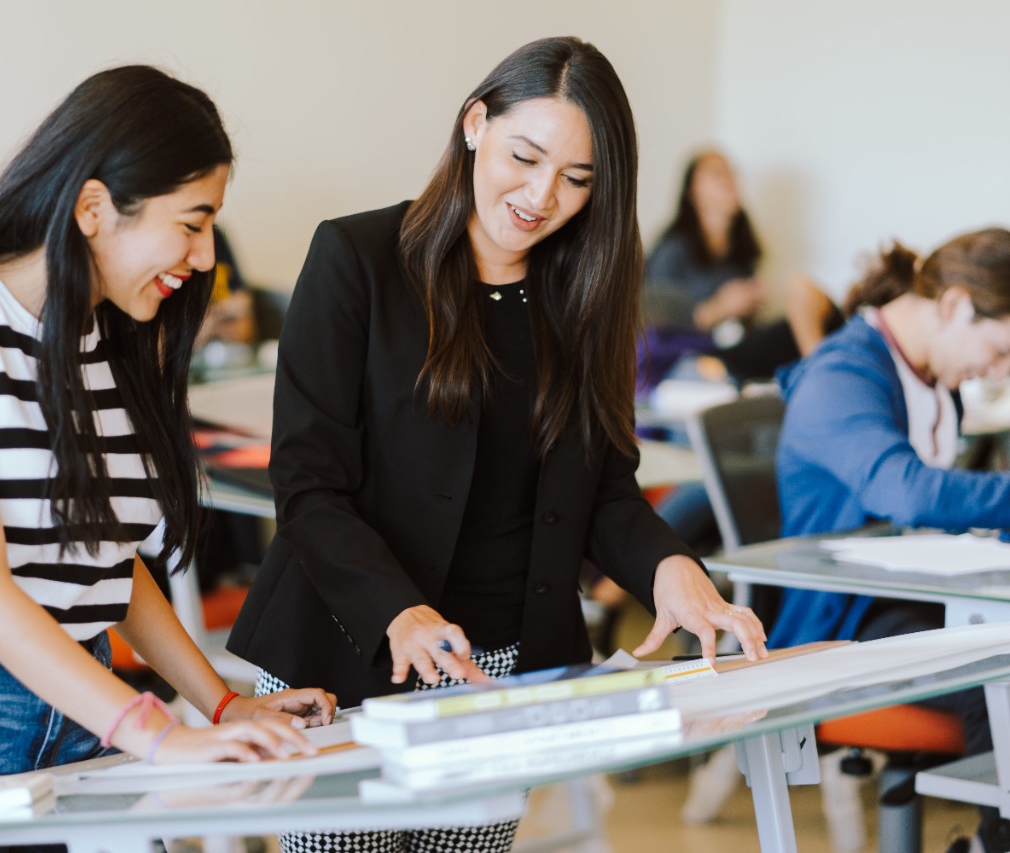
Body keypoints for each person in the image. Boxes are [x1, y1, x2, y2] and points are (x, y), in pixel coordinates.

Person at [227, 37, 767, 852]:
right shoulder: (358, 259)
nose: (542, 194)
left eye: (577, 178)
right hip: (342, 641)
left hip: (497, 664)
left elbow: (605, 491)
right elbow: (307, 483)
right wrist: (397, 611)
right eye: (526, 155)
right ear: (476, 123)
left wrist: (671, 569)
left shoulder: (583, 301)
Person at [0, 65, 335, 848]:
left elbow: (104, 565)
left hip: (72, 699)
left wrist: (220, 704)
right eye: (191, 222)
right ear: (92, 207)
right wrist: (157, 734)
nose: (207, 253)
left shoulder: (105, 339)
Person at [772, 228, 1010, 852]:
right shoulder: (841, 375)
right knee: (999, 667)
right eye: (999, 349)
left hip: (913, 600)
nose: (999, 371)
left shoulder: (929, 374)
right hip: (842, 624)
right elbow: (905, 491)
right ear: (955, 305)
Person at [641, 150, 838, 391]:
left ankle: (825, 384)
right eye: (717, 174)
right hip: (698, 356)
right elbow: (654, 323)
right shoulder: (673, 250)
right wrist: (720, 307)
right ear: (693, 192)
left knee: (821, 319)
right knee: (797, 307)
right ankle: (826, 387)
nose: (730, 180)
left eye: (732, 173)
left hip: (737, 345)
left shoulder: (742, 253)